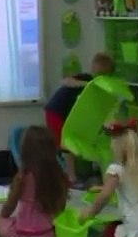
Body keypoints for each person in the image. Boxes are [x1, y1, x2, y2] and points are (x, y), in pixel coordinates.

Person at [0, 125, 68, 237]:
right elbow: (61, 207)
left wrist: (2, 217)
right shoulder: (58, 175)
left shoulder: (22, 177)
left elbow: (9, 207)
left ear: (25, 151)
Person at [45, 52, 115, 184]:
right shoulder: (86, 79)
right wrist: (86, 85)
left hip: (67, 115)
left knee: (70, 144)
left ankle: (71, 176)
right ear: (93, 69)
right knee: (66, 145)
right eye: (98, 73)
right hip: (56, 112)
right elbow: (66, 81)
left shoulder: (102, 87)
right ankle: (70, 178)